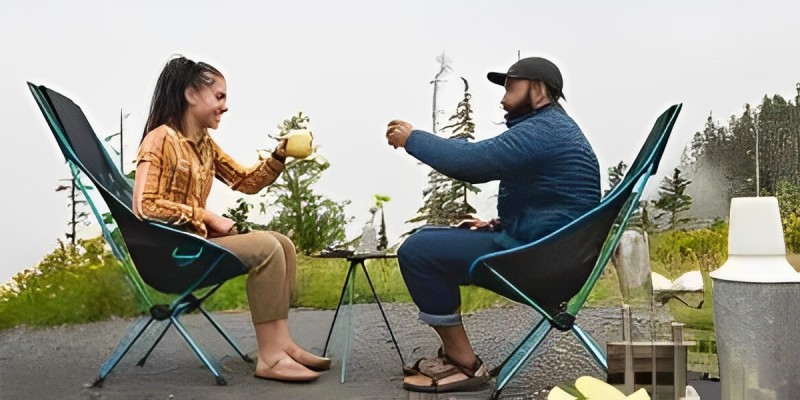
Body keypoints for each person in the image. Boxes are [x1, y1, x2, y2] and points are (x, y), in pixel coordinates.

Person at [385, 56, 601, 393]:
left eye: (511, 86)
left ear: (539, 89)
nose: (502, 98)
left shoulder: (546, 128)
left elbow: (473, 163)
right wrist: (499, 224)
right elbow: (556, 206)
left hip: (542, 262)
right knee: (431, 237)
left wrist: (413, 138)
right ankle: (457, 357)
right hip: (551, 254)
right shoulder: (553, 128)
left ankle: (464, 364)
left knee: (418, 250)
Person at [132, 55, 330, 383]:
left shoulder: (205, 145)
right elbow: (145, 205)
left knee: (283, 244)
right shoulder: (160, 138)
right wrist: (206, 215)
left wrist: (279, 155)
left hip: (197, 243)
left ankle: (282, 345)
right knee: (267, 247)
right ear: (191, 94)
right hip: (174, 252)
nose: (225, 106)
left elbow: (246, 182)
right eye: (220, 96)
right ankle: (269, 358)